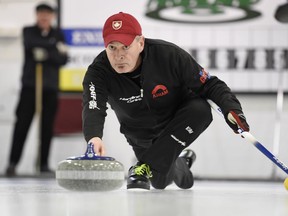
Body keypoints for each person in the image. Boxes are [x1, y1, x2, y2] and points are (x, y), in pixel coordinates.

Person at [82, 12, 250, 190]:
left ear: (140, 43)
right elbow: (93, 106)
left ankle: (143, 166)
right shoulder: (98, 72)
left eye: (125, 46)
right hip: (139, 133)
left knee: (200, 110)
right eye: (112, 48)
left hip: (176, 121)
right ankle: (180, 163)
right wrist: (94, 137)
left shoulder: (168, 55)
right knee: (159, 181)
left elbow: (210, 84)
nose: (119, 55)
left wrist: (231, 109)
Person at [6, 3, 68, 176]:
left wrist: (46, 53)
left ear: (52, 17)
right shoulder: (28, 31)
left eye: (47, 14)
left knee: (47, 127)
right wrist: (53, 49)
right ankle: (12, 163)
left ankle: (43, 164)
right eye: (41, 14)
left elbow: (63, 59)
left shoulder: (58, 33)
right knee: (22, 125)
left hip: (50, 87)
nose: (44, 17)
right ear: (36, 15)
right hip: (30, 86)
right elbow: (32, 45)